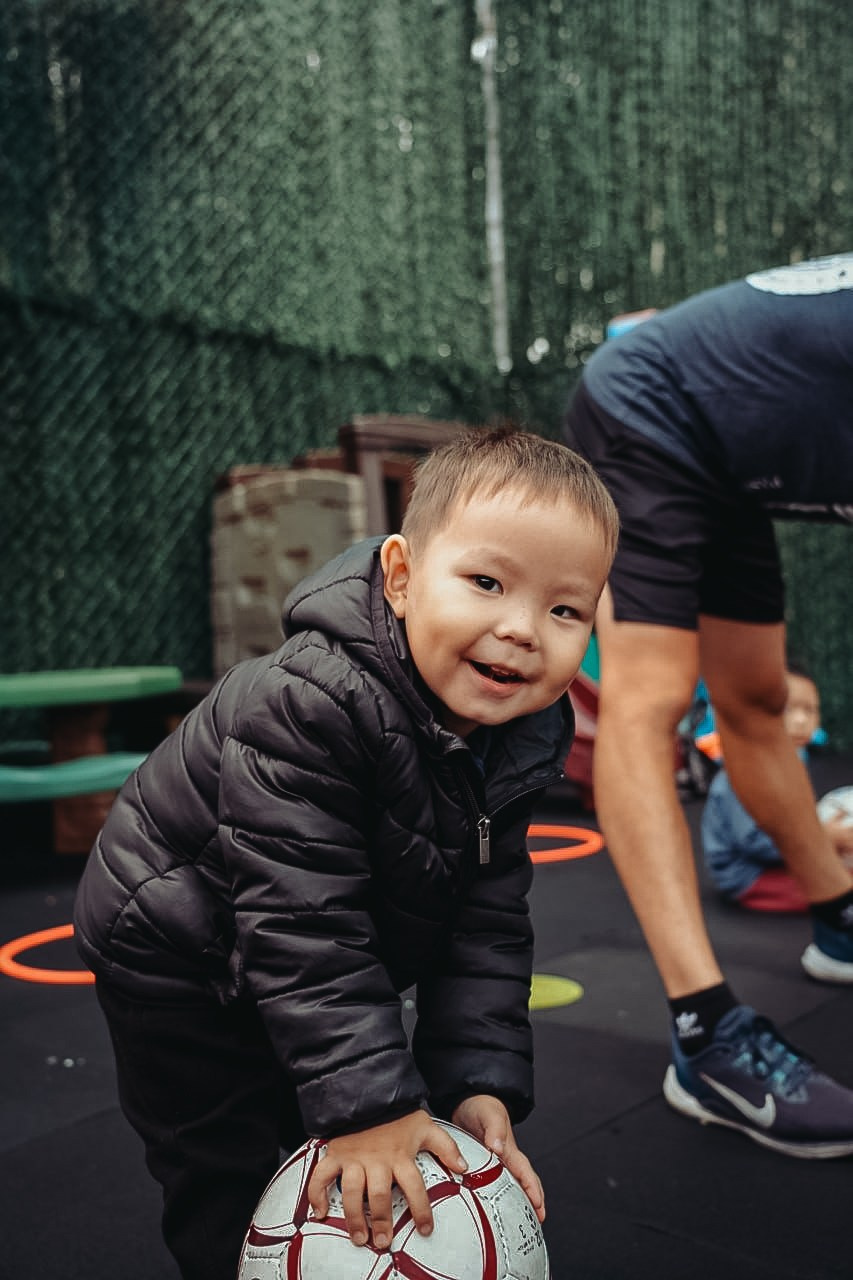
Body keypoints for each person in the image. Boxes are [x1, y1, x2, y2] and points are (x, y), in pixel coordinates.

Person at [73, 428, 619, 1280]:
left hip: (292, 941)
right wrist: (369, 1107)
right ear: (400, 578)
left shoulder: (521, 733)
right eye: (485, 583)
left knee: (342, 1125)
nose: (520, 629)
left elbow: (485, 921)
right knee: (228, 1161)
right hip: (178, 951)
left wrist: (474, 1083)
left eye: (564, 610)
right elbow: (304, 919)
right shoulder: (310, 703)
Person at [563, 251, 853, 1159]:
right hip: (646, 409)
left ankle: (839, 920)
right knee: (649, 696)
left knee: (756, 699)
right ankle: (706, 1037)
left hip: (727, 450)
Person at [702, 662, 853, 913]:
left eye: (810, 710)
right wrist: (822, 840)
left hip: (786, 858)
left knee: (840, 875)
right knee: (835, 890)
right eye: (787, 708)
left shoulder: (795, 759)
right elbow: (753, 843)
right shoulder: (742, 774)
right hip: (750, 875)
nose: (801, 720)